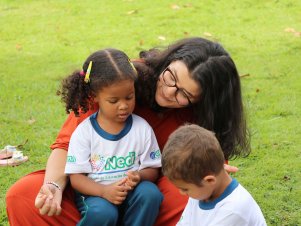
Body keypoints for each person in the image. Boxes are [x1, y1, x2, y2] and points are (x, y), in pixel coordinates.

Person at [6, 37, 250, 226]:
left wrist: (209, 169)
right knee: (23, 196)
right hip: (93, 188)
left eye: (184, 94)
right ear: (167, 62)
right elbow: (65, 146)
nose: (169, 92)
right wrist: (54, 187)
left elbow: (210, 175)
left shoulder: (201, 117)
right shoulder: (120, 80)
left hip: (149, 195)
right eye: (170, 77)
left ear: (203, 101)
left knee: (189, 198)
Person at [61, 48, 163, 226]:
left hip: (132, 193)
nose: (123, 106)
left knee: (150, 193)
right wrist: (103, 191)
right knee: (103, 213)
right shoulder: (85, 132)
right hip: (96, 194)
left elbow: (153, 169)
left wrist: (139, 177)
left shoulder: (142, 128)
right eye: (114, 101)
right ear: (95, 97)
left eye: (129, 97)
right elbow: (76, 178)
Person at [162, 124, 266, 226]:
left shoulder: (233, 210)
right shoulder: (201, 191)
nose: (181, 193)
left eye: (185, 189)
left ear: (209, 180)